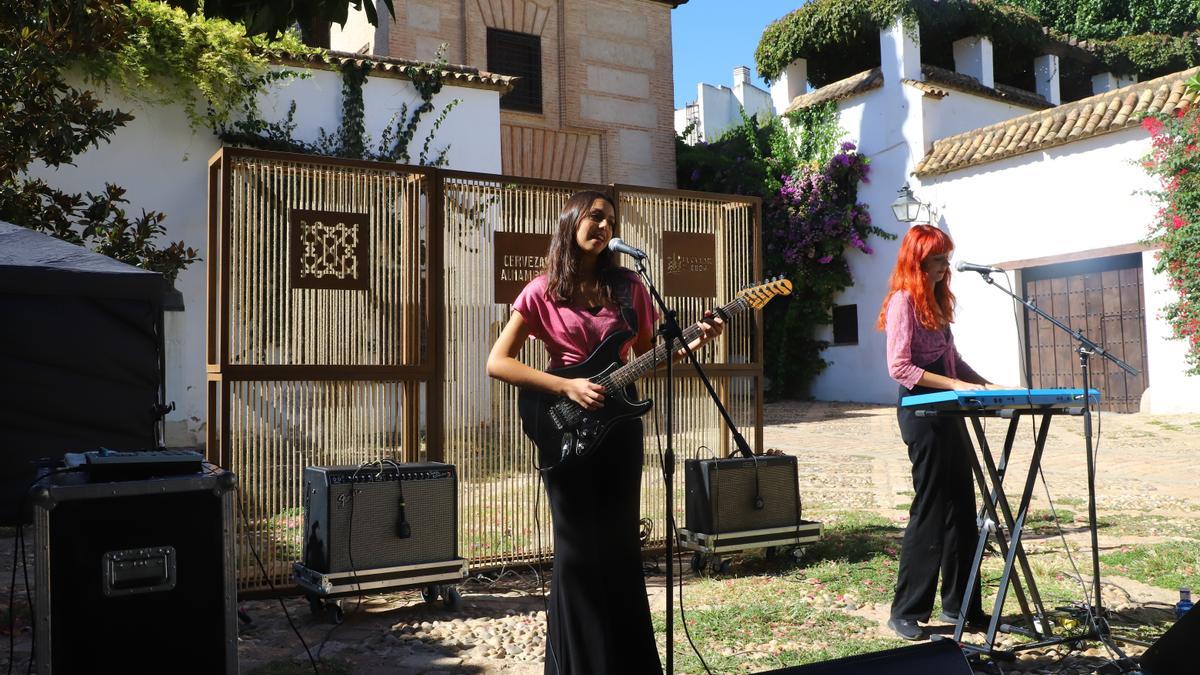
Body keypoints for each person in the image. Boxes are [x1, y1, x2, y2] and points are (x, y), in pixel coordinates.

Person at [486, 190, 722, 673]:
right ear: (571, 222)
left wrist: (696, 339)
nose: (604, 227)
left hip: (619, 432)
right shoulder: (542, 290)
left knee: (619, 548)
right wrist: (566, 386)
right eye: (595, 217)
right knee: (576, 553)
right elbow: (497, 362)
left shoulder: (630, 287)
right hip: (563, 428)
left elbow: (648, 357)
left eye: (611, 221)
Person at [877, 224, 1004, 641]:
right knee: (931, 509)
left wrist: (987, 386)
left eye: (946, 257)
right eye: (938, 258)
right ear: (919, 259)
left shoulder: (936, 299)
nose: (945, 264)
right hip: (920, 413)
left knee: (963, 512)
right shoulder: (902, 302)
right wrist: (956, 386)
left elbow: (953, 363)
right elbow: (900, 367)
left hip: (949, 412)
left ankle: (961, 606)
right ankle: (907, 610)